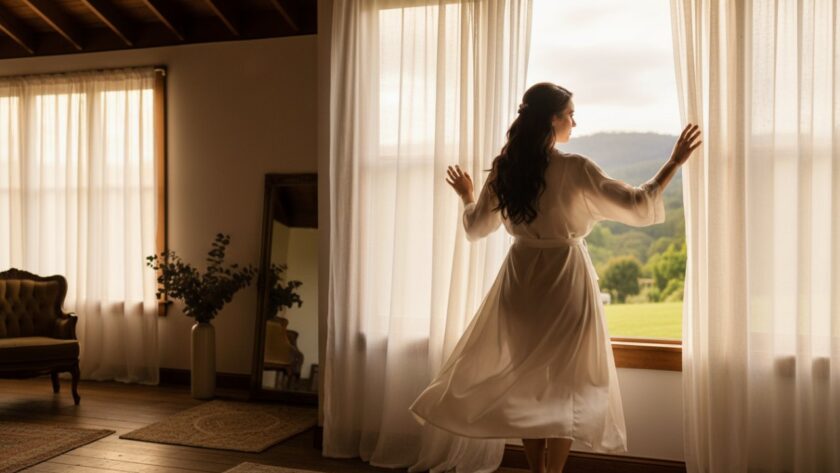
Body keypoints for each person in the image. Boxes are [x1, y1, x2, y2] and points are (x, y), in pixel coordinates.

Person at [409, 82, 701, 473]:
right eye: (570, 114)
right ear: (553, 119)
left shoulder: (505, 168)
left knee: (529, 385)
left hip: (521, 281)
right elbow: (635, 203)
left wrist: (467, 194)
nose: (575, 123)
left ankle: (537, 470)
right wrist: (674, 162)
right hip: (565, 281)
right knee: (569, 384)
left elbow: (476, 228)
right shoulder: (575, 167)